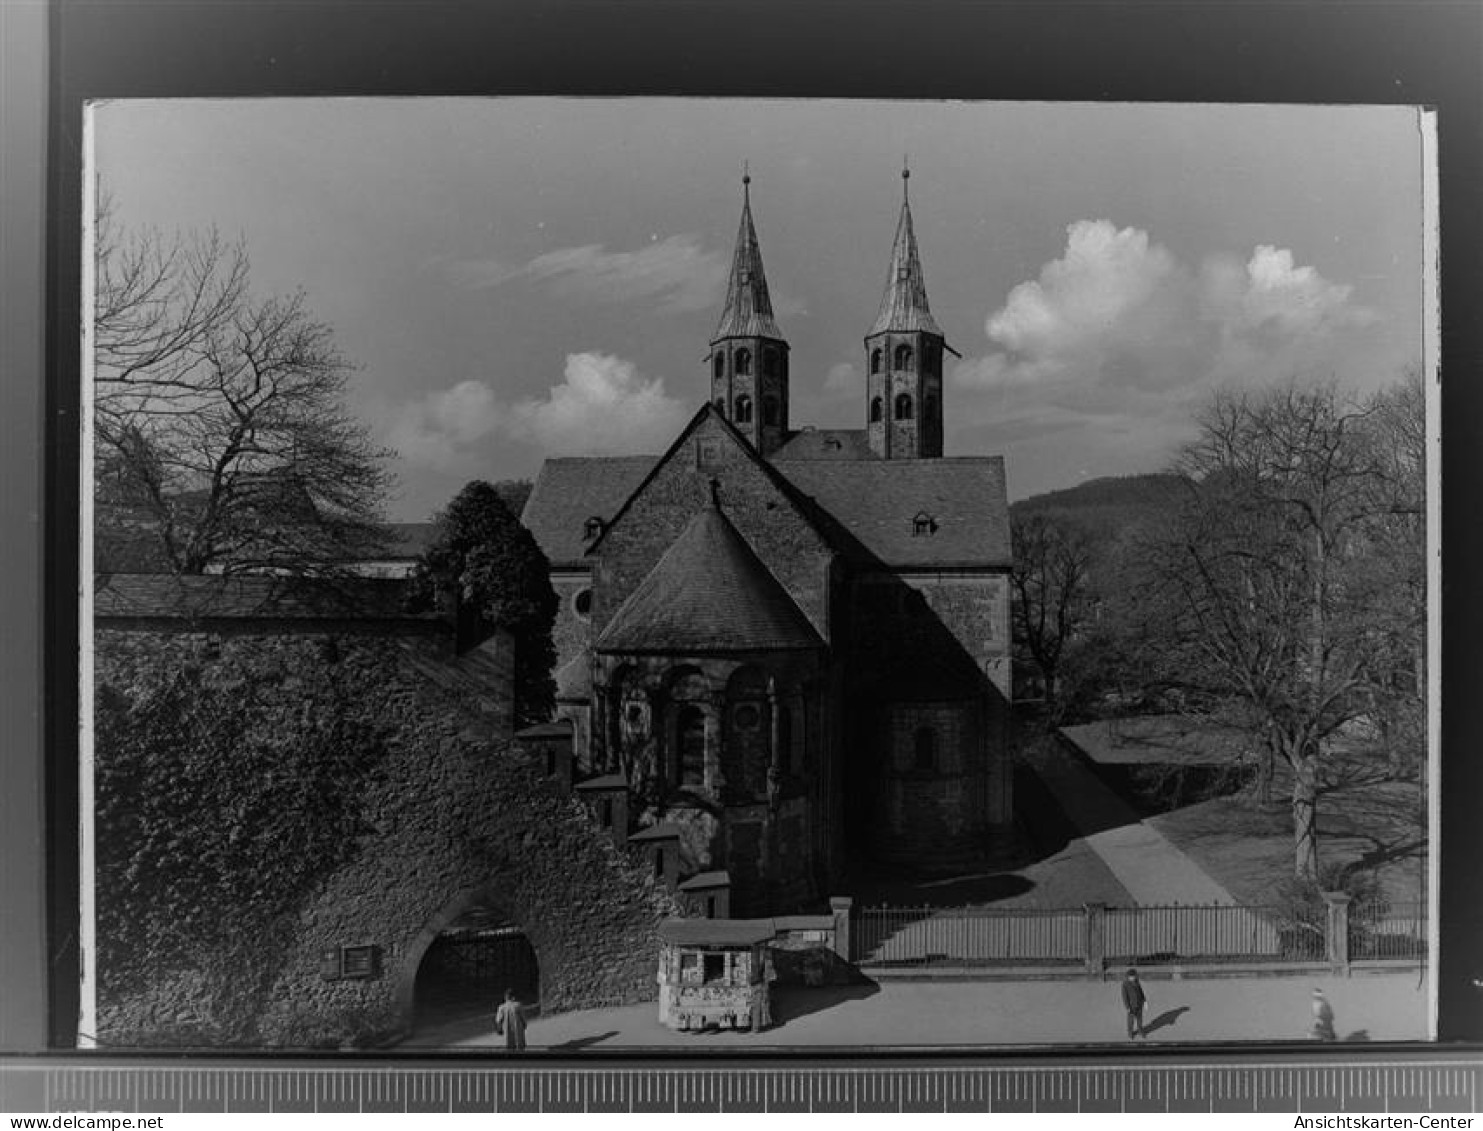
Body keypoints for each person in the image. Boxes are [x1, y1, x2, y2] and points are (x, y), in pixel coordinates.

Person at [1121, 968, 1147, 1039]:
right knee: (1131, 1021)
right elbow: (1124, 997)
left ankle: (1140, 1030)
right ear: (1128, 976)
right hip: (1131, 1007)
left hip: (1139, 1004)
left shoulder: (1137, 981)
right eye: (1131, 977)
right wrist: (1127, 1007)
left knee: (1140, 1020)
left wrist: (1144, 1001)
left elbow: (1141, 991)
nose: (1133, 978)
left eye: (1134, 976)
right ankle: (1130, 1032)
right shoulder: (1125, 984)